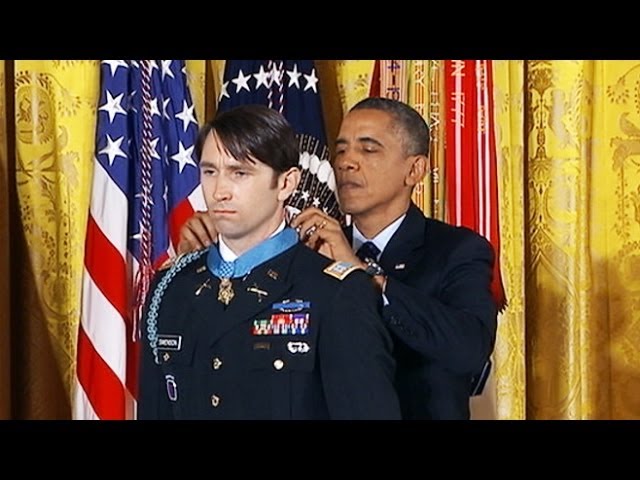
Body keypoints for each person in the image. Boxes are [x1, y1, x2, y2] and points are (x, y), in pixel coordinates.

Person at [178, 98, 498, 420]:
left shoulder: (457, 250)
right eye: (341, 150)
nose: (346, 163)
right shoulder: (306, 248)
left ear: (414, 170)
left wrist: (363, 275)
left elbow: (469, 350)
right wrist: (215, 247)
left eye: (368, 150)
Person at [138, 104, 401, 420]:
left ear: (286, 183)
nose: (220, 191)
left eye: (239, 173)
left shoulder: (335, 292)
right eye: (210, 172)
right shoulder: (171, 287)